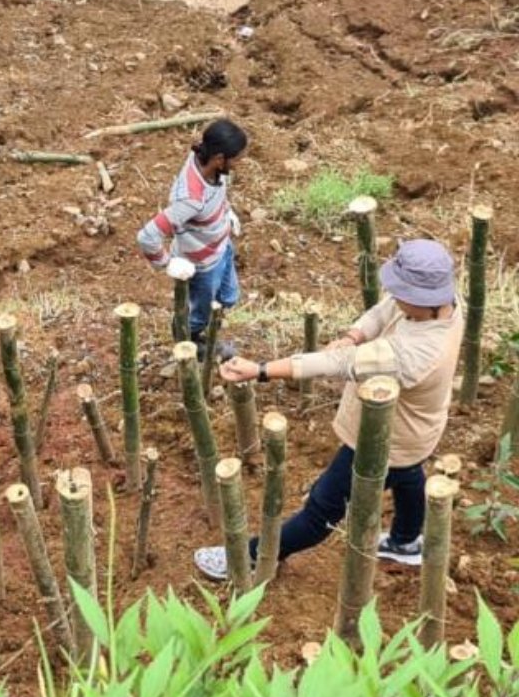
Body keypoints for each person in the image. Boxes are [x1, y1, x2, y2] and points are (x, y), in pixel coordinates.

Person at [193, 239, 463, 579]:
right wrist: (353, 334)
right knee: (408, 474)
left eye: (399, 290)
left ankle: (248, 557)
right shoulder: (446, 303)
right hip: (421, 430)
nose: (392, 295)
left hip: (384, 440)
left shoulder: (417, 354)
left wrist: (260, 370)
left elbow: (337, 363)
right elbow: (384, 310)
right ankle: (406, 543)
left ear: (422, 297)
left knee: (322, 508)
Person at [137, 119, 248, 354]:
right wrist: (167, 263)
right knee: (199, 315)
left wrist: (226, 212)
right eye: (236, 159)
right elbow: (147, 236)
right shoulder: (189, 200)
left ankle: (205, 327)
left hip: (221, 247)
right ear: (219, 159)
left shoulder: (207, 163)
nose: (239, 164)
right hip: (202, 265)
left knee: (229, 297)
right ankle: (190, 341)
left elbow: (217, 192)